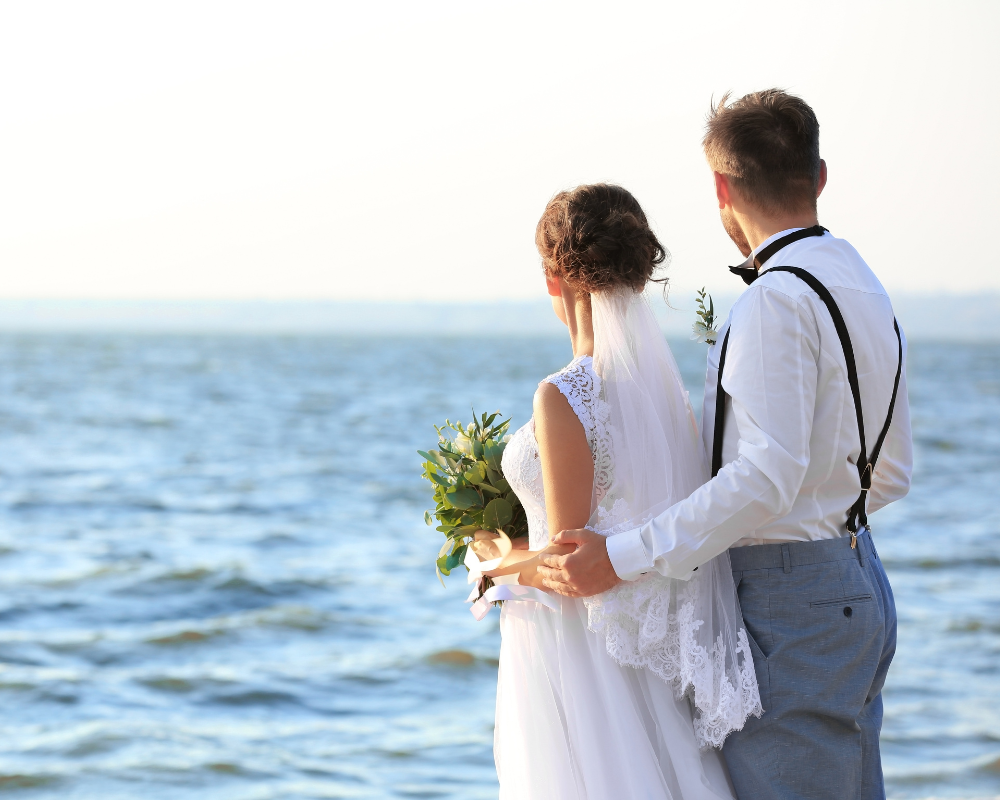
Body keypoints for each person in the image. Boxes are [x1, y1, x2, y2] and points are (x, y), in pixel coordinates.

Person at [538, 90, 913, 800]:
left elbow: (765, 479)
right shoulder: (866, 286)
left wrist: (618, 557)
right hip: (860, 576)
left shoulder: (775, 299)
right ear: (820, 175)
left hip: (789, 600)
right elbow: (890, 473)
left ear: (721, 186)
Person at [477, 184, 762, 799]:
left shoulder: (563, 395)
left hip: (574, 657)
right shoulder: (668, 403)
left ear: (555, 277)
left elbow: (567, 561)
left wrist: (491, 563)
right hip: (632, 656)